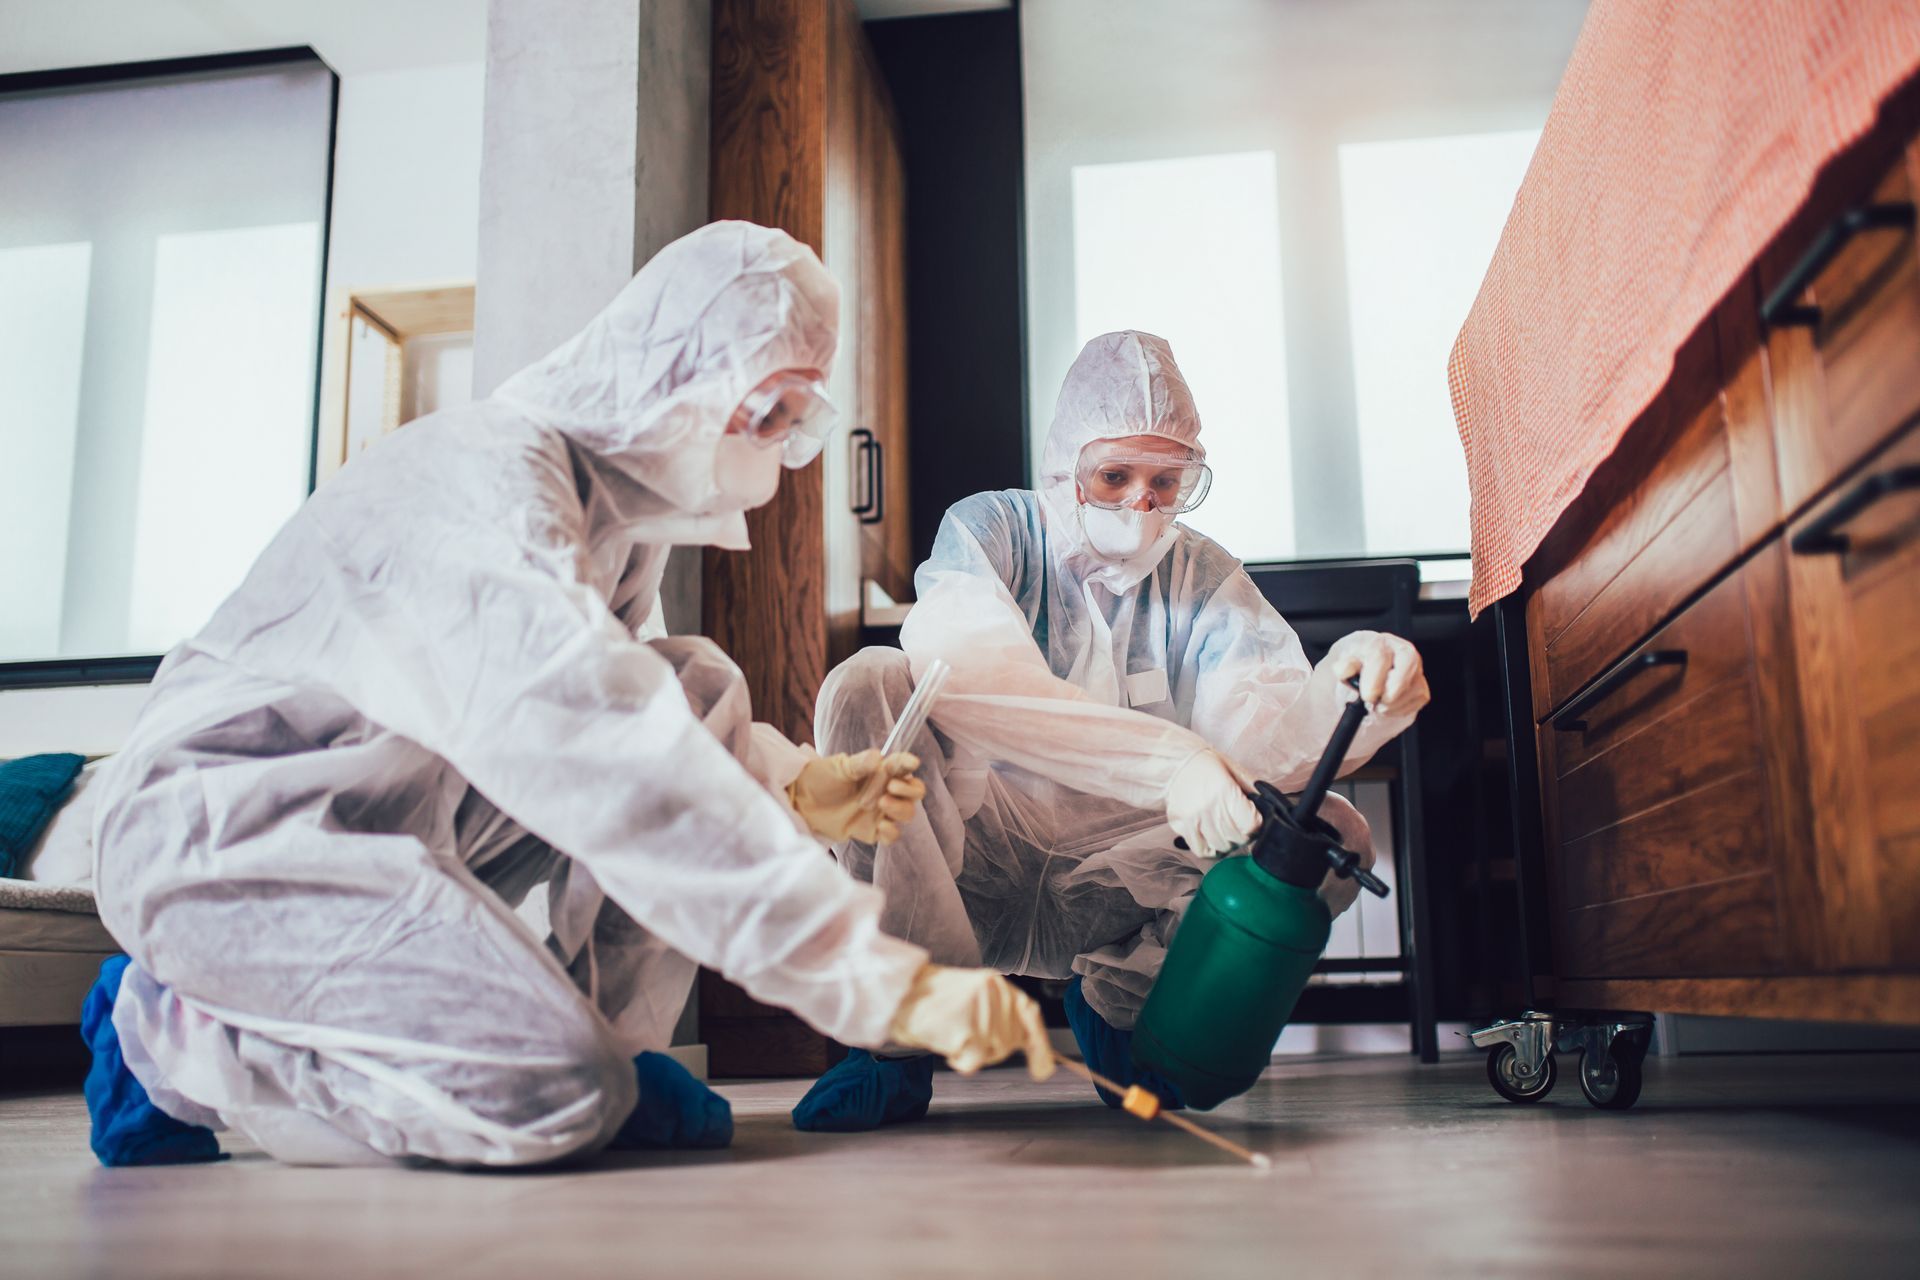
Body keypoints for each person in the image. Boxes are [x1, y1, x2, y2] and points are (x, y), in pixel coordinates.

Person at [80, 221, 1053, 1171]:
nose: (782, 447)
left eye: (796, 420)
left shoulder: (618, 514)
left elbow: (637, 710)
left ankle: (620, 1045)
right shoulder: (491, 491)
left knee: (694, 678)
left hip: (376, 805)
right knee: (555, 1089)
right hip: (224, 830)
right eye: (771, 413)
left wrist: (795, 779)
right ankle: (170, 1034)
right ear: (681, 379)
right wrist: (869, 973)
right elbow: (608, 756)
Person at [792, 330, 1427, 1131]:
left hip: (1124, 871)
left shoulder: (1206, 578)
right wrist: (1172, 763)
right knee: (868, 684)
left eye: (1167, 481)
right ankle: (895, 1043)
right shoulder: (995, 532)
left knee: (1328, 831)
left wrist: (1348, 692)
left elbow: (1263, 745)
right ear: (1065, 465)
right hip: (972, 847)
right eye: (1115, 475)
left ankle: (1129, 1014)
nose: (1142, 503)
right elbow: (970, 671)